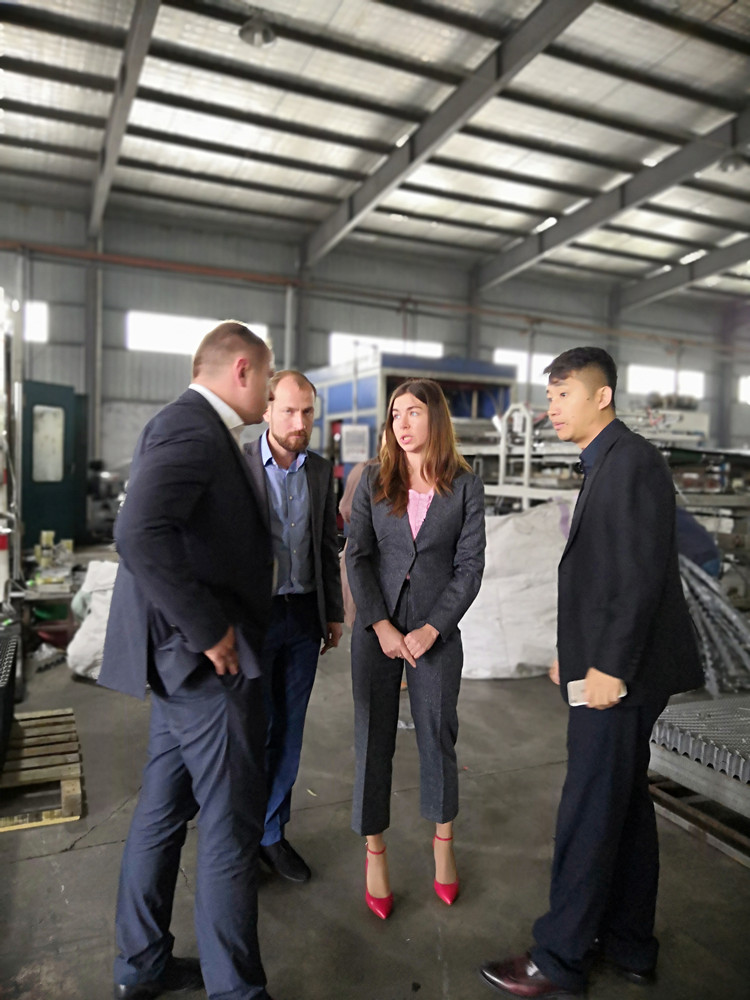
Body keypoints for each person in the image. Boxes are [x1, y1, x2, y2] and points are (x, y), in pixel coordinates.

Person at [480, 347, 703, 998]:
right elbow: (605, 576)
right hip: (614, 663)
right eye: (548, 396)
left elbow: (637, 577)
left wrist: (606, 666)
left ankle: (560, 958)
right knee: (626, 807)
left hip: (624, 674)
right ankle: (631, 945)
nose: (551, 407)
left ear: (602, 397)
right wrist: (573, 653)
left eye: (564, 394)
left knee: (588, 811)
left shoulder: (629, 462)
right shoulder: (607, 463)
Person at [98, 321, 277, 1000]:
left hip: (179, 670)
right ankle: (237, 990)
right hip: (203, 667)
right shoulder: (194, 429)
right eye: (266, 376)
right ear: (241, 371)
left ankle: (140, 966)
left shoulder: (192, 428)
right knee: (231, 830)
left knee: (161, 814)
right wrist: (208, 629)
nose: (266, 389)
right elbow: (137, 530)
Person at [346, 378, 485, 919]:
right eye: (395, 414)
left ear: (436, 420)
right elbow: (357, 556)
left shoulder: (466, 485)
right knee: (372, 738)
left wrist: (433, 629)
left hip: (436, 632)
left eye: (414, 413)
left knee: (437, 735)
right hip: (377, 633)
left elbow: (469, 567)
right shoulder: (374, 479)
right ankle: (375, 854)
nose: (402, 423)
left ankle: (442, 847)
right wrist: (380, 625)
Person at [243, 370, 343, 883]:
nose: (299, 422)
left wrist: (333, 613)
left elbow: (327, 544)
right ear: (266, 409)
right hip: (254, 623)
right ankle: (239, 842)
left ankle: (272, 835)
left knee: (289, 732)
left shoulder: (322, 471)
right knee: (249, 733)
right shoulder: (238, 468)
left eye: (307, 411)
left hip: (303, 618)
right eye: (288, 410)